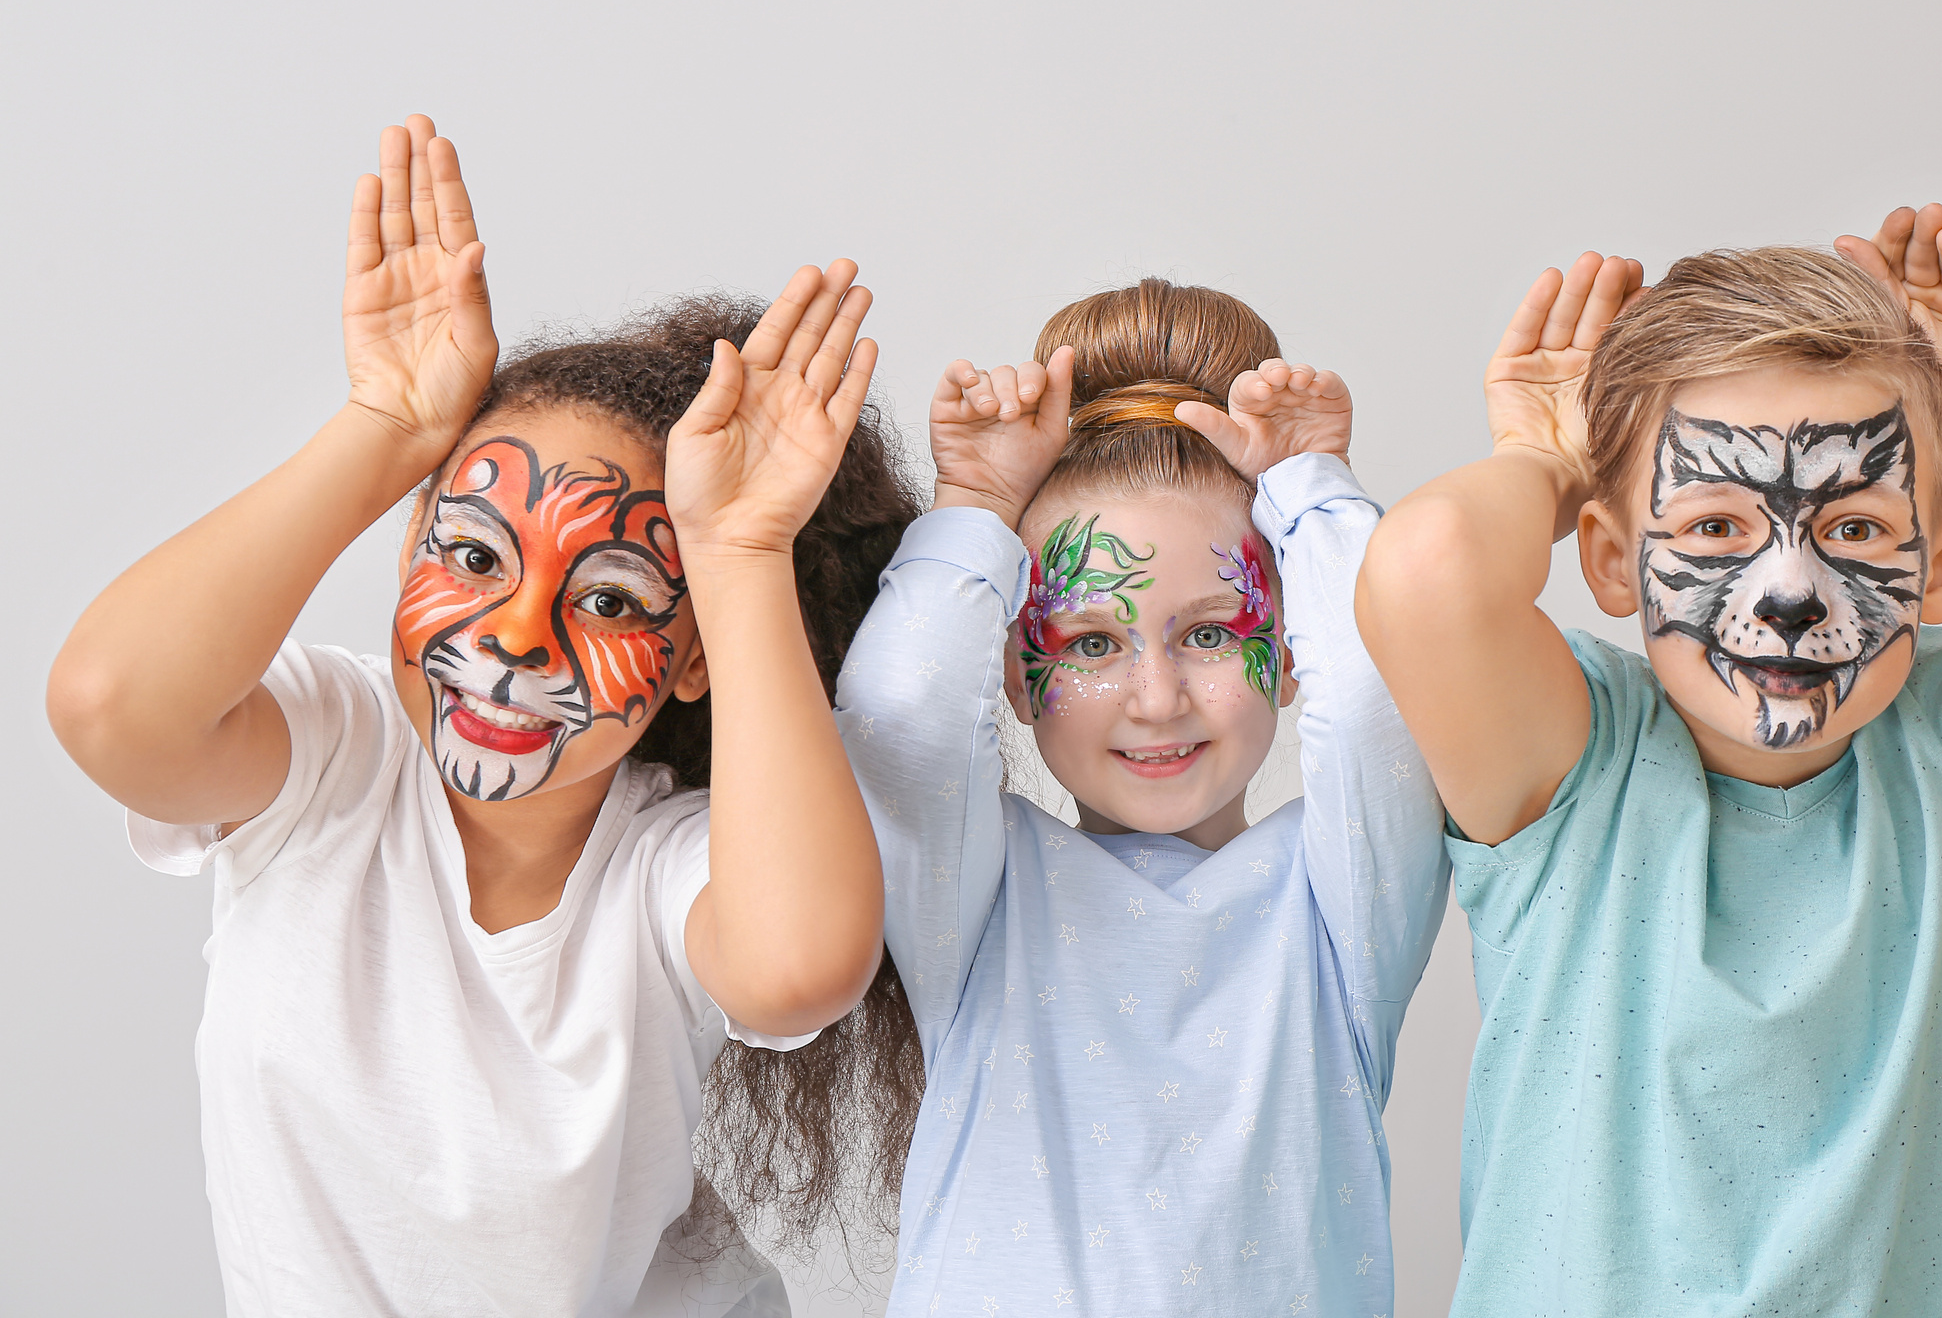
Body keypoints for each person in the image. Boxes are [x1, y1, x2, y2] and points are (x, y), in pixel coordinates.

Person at [45, 117, 918, 1316]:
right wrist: (388, 432)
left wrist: (743, 547)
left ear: (693, 655)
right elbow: (111, 707)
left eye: (609, 599)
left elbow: (799, 968)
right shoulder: (331, 758)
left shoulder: (665, 868)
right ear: (410, 541)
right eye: (470, 553)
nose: (514, 638)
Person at [1356, 208, 1942, 1315]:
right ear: (1607, 557)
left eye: (1856, 531)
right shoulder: (1570, 764)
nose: (1789, 593)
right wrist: (1547, 457)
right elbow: (1426, 568)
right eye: (1711, 529)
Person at [836, 279, 1447, 1314]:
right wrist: (976, 505)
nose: (1157, 699)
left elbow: (1389, 693)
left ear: (1290, 650)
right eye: (1091, 644)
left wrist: (1312, 487)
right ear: (1019, 677)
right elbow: (901, 710)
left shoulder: (1338, 896)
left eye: (1211, 632)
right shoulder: (979, 900)